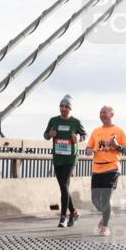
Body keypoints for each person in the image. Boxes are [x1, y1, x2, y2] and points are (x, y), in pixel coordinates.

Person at [85, 106, 126, 237]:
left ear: (112, 114)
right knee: (94, 200)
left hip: (112, 168)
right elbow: (89, 147)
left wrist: (117, 146)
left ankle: (105, 226)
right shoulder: (95, 131)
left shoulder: (118, 131)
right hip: (97, 168)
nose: (102, 115)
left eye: (104, 112)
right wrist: (88, 151)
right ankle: (107, 213)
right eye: (100, 113)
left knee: (105, 199)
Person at [44, 95, 87, 228]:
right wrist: (50, 135)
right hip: (58, 158)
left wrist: (78, 139)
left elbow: (84, 134)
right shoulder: (53, 120)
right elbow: (45, 135)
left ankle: (63, 217)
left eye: (66, 107)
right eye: (61, 106)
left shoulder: (76, 122)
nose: (63, 109)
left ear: (70, 109)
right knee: (64, 187)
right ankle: (73, 212)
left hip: (70, 158)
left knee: (63, 184)